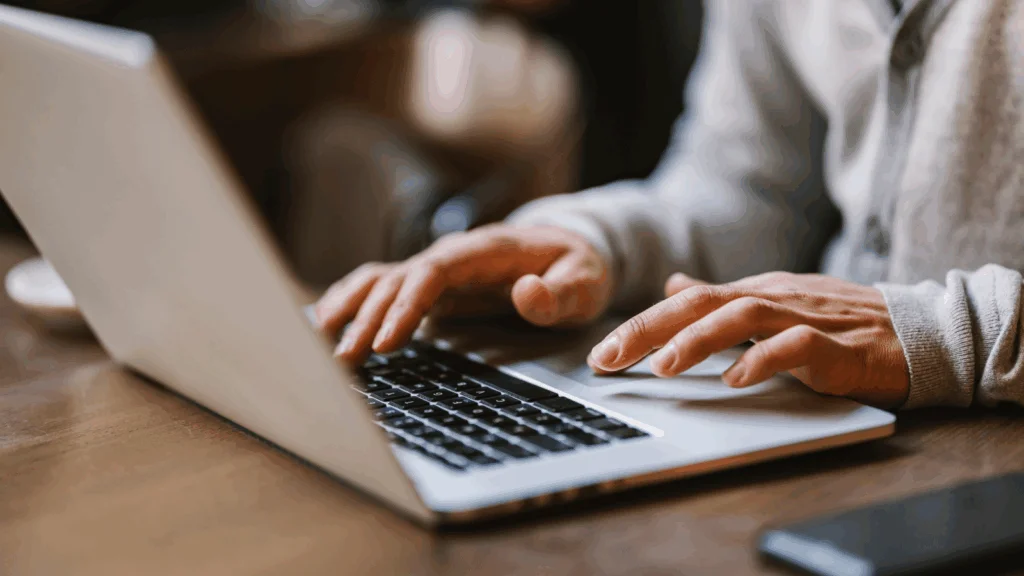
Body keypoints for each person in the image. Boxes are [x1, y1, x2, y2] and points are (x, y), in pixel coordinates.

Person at [316, 0, 1024, 411]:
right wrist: (593, 243)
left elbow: (928, 333)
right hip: (834, 429)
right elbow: (750, 189)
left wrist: (951, 335)